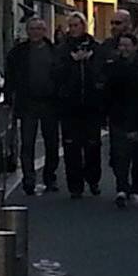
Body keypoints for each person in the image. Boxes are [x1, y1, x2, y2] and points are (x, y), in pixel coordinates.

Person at [4, 17, 60, 195]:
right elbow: (10, 77)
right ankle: (29, 180)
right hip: (27, 103)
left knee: (52, 143)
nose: (36, 32)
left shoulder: (54, 51)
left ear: (45, 31)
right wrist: (8, 99)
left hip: (50, 103)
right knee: (27, 143)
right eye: (33, 28)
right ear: (28, 31)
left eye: (39, 29)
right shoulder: (18, 53)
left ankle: (49, 177)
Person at [54, 12, 104, 199]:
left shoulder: (95, 47)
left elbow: (101, 72)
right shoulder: (62, 49)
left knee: (93, 145)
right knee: (71, 147)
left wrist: (88, 61)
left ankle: (93, 180)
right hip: (70, 106)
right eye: (71, 25)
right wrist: (71, 62)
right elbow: (56, 73)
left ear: (83, 26)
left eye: (77, 25)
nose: (74, 29)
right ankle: (75, 185)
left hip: (91, 105)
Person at [104, 33, 138, 208]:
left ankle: (136, 188)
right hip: (118, 115)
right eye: (121, 45)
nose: (124, 49)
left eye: (127, 45)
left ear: (135, 46)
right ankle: (121, 187)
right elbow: (107, 90)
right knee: (119, 154)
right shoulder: (114, 66)